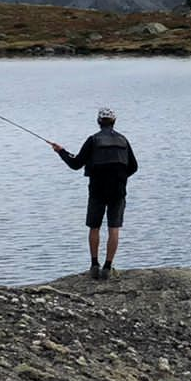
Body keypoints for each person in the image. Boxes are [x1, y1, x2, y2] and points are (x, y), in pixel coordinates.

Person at [49, 107, 139, 277]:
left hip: (97, 189)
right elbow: (133, 167)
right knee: (114, 228)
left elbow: (75, 164)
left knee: (94, 227)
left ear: (99, 122)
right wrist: (120, 177)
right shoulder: (123, 140)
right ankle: (108, 266)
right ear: (114, 122)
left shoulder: (93, 140)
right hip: (118, 190)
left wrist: (61, 151)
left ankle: (94, 264)